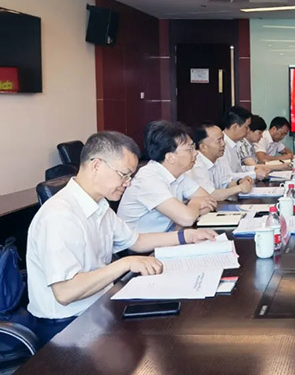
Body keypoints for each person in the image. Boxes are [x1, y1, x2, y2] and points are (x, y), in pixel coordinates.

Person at [26, 131, 215, 345]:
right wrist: (125, 263)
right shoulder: (59, 215)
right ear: (97, 165)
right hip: (67, 326)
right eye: (123, 175)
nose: (127, 183)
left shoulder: (100, 206)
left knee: (175, 326)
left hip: (100, 307)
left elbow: (137, 241)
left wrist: (185, 236)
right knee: (157, 344)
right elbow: (65, 292)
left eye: (130, 176)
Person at [118, 120, 217, 232]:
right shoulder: (148, 179)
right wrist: (196, 203)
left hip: (166, 237)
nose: (196, 153)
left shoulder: (178, 174)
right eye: (189, 149)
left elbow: (210, 201)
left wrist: (187, 212)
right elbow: (187, 219)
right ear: (170, 157)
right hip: (141, 242)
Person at [188, 123, 254, 200]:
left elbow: (227, 183)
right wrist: (239, 188)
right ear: (203, 147)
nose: (223, 144)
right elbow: (210, 195)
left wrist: (240, 182)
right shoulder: (195, 164)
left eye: (223, 139)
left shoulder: (219, 158)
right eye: (219, 141)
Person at [216, 106, 270, 182]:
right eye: (246, 127)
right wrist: (254, 174)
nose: (248, 131)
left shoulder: (235, 143)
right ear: (235, 127)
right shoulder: (220, 145)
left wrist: (255, 169)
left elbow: (238, 169)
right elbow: (227, 176)